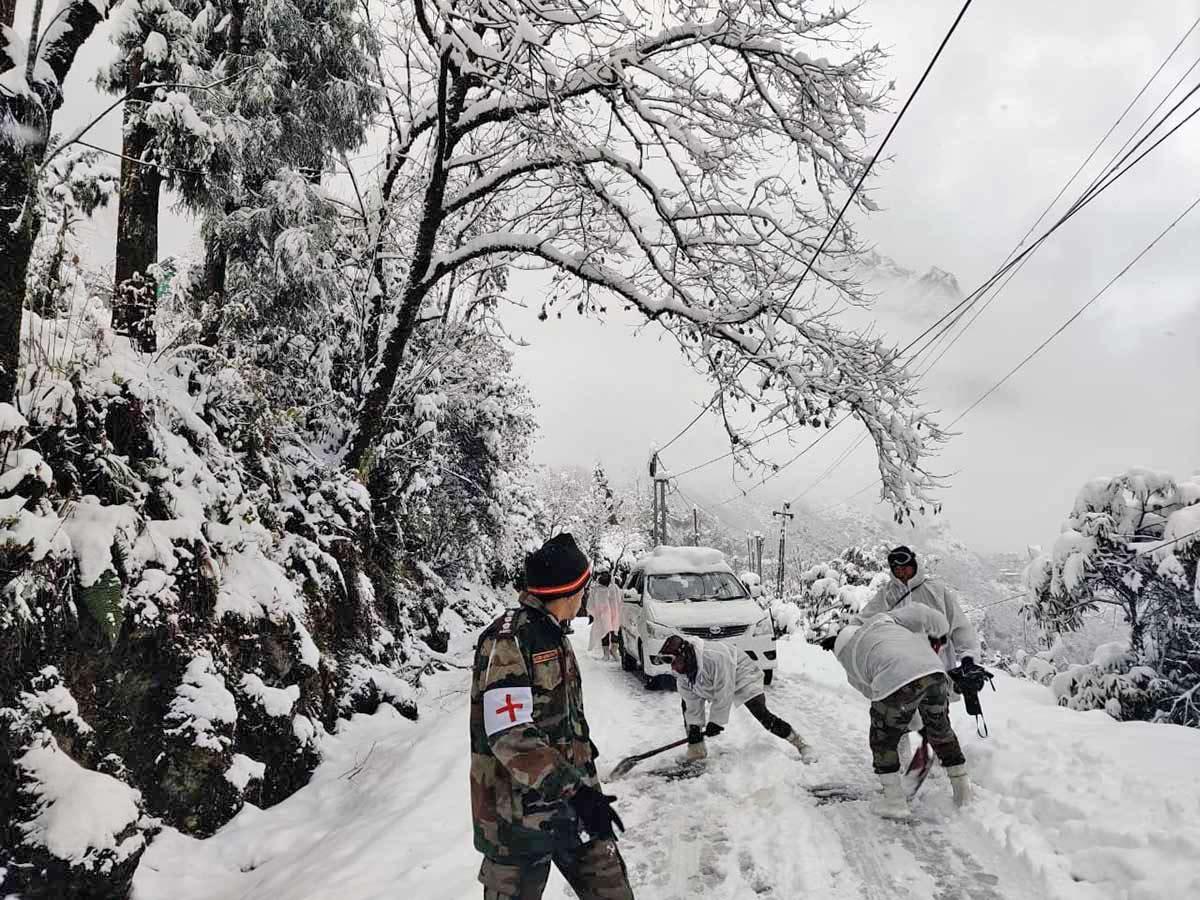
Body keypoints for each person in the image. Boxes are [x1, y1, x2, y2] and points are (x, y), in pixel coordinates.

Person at [470, 533, 634, 900]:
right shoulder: (509, 641)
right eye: (585, 588)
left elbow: (561, 718)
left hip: (573, 810)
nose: (587, 596)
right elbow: (509, 734)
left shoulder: (553, 634)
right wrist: (577, 792)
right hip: (517, 822)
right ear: (570, 591)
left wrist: (586, 784)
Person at [816, 604, 972, 819]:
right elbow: (921, 612)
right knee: (941, 730)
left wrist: (902, 725)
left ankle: (894, 802)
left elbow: (878, 696)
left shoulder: (850, 658)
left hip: (896, 678)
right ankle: (963, 793)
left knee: (882, 741)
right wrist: (941, 631)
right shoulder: (882, 620)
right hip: (935, 671)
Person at [855, 545, 982, 764]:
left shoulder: (936, 591)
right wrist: (844, 635)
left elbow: (960, 628)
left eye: (904, 567)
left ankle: (943, 763)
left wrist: (968, 659)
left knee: (936, 720)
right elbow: (865, 620)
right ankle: (903, 763)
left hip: (935, 669)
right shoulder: (887, 595)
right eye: (896, 568)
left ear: (914, 565)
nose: (901, 572)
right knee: (897, 720)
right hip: (899, 670)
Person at [658, 634, 817, 764]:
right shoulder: (682, 675)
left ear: (685, 655)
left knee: (761, 713)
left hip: (741, 672)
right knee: (687, 710)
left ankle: (801, 744)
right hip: (712, 680)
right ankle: (697, 752)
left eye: (674, 662)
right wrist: (694, 729)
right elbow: (692, 704)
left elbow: (724, 690)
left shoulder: (715, 657)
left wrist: (716, 721)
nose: (672, 668)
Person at [587, 568, 622, 661]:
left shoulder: (614, 587)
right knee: (604, 632)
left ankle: (614, 650)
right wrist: (591, 613)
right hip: (602, 614)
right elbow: (591, 601)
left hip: (614, 613)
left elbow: (619, 599)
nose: (604, 576)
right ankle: (606, 653)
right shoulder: (596, 589)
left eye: (606, 574)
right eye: (603, 574)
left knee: (615, 632)